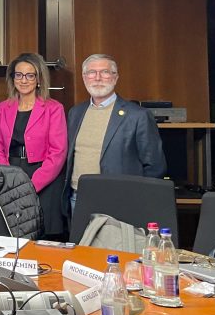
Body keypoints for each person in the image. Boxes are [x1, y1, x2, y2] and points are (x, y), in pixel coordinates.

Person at [63, 54, 166, 215]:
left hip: (121, 199)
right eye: (91, 72)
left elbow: (155, 166)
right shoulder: (75, 113)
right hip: (78, 197)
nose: (97, 78)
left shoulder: (138, 115)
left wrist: (139, 199)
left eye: (105, 72)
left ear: (115, 77)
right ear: (84, 78)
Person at [0, 53, 67, 237]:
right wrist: (9, 177)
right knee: (13, 232)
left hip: (45, 177)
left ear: (39, 79)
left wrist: (32, 185)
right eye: (18, 75)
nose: (23, 80)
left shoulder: (53, 108)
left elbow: (58, 152)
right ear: (12, 78)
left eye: (30, 75)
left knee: (44, 236)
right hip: (12, 175)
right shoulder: (3, 107)